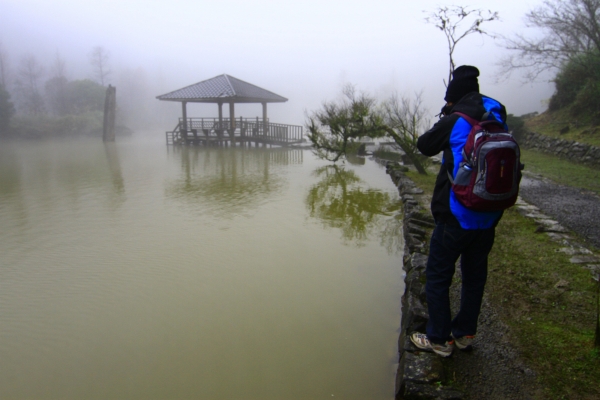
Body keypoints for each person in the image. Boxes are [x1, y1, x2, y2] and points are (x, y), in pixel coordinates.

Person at [410, 65, 508, 357]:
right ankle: (465, 333)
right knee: (475, 276)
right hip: (489, 215)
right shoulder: (497, 115)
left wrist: (446, 116)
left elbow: (424, 145)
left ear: (452, 97)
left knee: (439, 276)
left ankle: (439, 339)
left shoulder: (456, 119)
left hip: (456, 215)